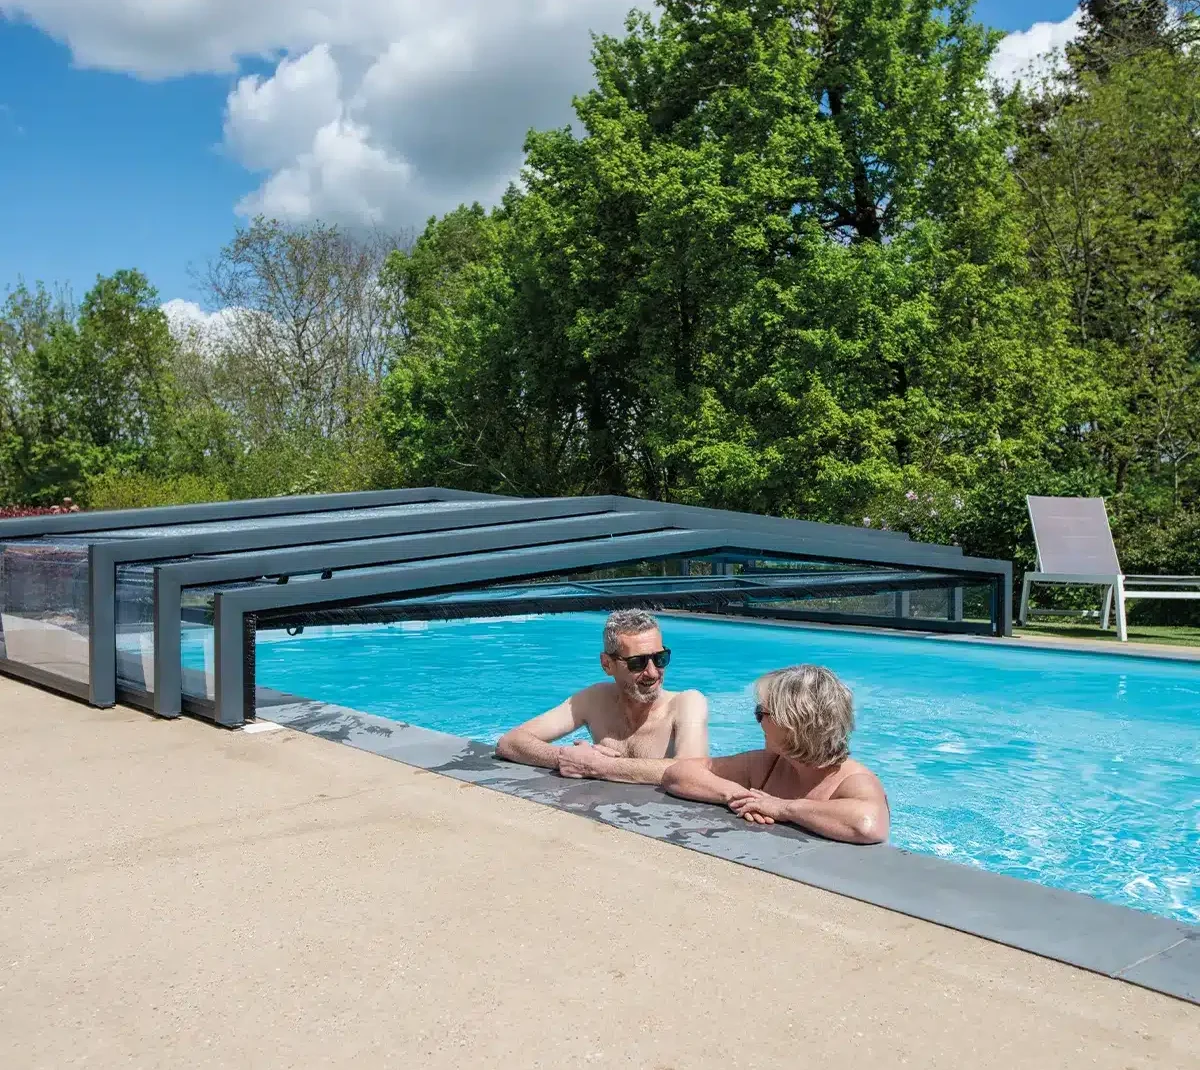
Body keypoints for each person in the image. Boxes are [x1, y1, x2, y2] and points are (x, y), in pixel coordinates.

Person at [662, 664, 889, 845]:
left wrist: (783, 808)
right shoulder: (769, 764)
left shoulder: (852, 780)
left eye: (761, 713)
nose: (758, 721)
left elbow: (868, 824)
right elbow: (678, 773)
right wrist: (736, 795)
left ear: (792, 723)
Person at [494, 609, 709, 784]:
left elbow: (691, 770)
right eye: (638, 663)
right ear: (607, 664)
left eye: (660, 658)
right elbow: (510, 742)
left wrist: (598, 766)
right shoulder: (595, 700)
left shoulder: (686, 703)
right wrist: (564, 757)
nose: (653, 673)